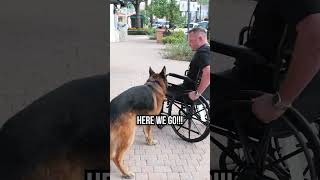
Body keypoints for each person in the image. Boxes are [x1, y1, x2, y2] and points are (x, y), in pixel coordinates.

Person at [212, 0, 320, 125]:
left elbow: (315, 34)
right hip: (307, 97)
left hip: (260, 88)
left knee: (205, 91)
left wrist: (280, 102)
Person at [168, 27, 211, 102]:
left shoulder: (202, 53)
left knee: (159, 88)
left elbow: (208, 73)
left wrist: (197, 94)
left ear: (200, 38)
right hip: (205, 93)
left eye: (191, 41)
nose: (189, 44)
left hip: (190, 92)